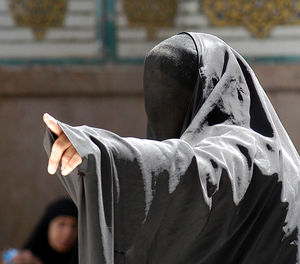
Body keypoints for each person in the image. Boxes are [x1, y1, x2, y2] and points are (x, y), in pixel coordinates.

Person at [43, 32, 300, 264]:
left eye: (176, 89)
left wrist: (103, 152)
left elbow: (194, 169)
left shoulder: (247, 152)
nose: (162, 106)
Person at [2, 198, 78, 264]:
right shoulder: (25, 258)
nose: (68, 233)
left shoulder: (83, 258)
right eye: (62, 224)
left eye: (74, 226)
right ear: (47, 226)